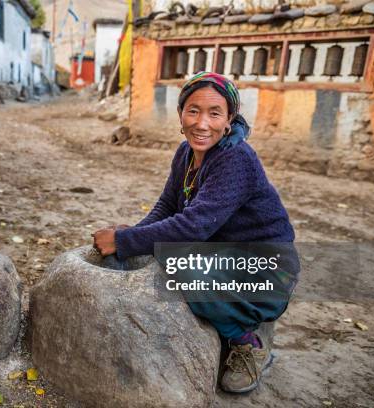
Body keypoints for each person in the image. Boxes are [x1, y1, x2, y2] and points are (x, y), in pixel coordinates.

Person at [92, 71, 298, 393]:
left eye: (215, 113)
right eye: (193, 110)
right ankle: (236, 314)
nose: (202, 124)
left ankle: (248, 339)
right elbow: (167, 207)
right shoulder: (186, 153)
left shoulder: (236, 159)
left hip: (269, 272)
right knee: (165, 256)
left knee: (185, 272)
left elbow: (193, 226)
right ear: (181, 113)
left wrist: (123, 241)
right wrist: (134, 233)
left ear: (230, 117)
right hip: (228, 257)